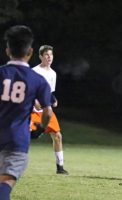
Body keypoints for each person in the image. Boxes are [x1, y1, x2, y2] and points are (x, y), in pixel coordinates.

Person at [0, 25, 52, 200]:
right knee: (5, 185)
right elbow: (47, 112)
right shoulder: (37, 80)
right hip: (17, 140)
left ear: (8, 50)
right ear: (30, 52)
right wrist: (41, 128)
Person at [30, 45, 69, 175]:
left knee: (57, 136)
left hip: (47, 111)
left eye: (51, 55)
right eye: (46, 55)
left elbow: (49, 91)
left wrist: (53, 99)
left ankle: (60, 167)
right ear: (40, 56)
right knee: (22, 136)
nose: (49, 57)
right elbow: (29, 90)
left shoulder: (53, 73)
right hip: (32, 111)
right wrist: (34, 101)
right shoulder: (34, 71)